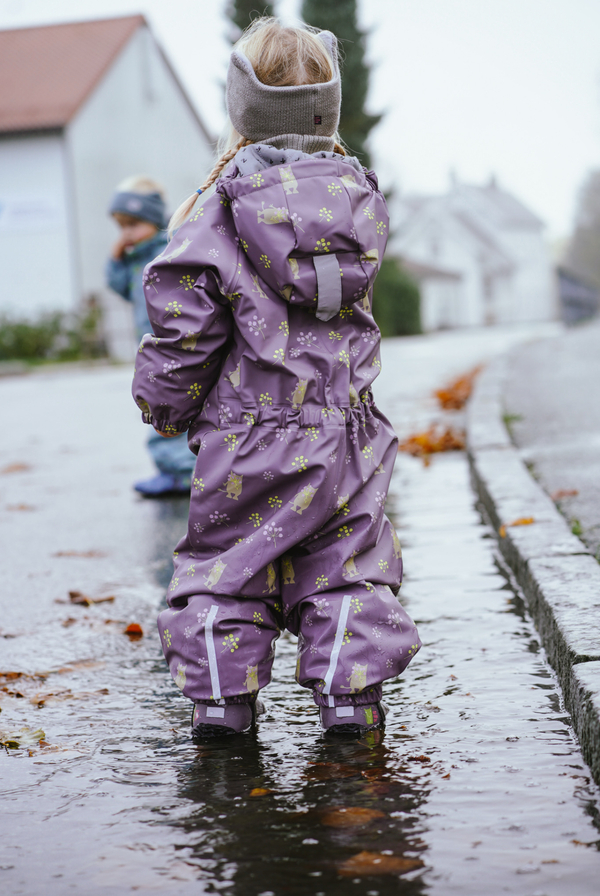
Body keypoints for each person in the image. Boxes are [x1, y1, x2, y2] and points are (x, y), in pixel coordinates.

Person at [132, 17, 421, 737]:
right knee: (347, 564)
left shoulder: (216, 217)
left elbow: (184, 330)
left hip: (246, 439)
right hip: (346, 435)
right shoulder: (358, 206)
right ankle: (350, 698)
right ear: (330, 108)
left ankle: (223, 703)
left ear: (242, 110)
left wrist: (164, 405)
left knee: (228, 566)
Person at [106, 176, 196, 496]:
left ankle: (182, 470)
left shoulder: (169, 248)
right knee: (153, 406)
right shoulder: (132, 260)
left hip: (169, 344)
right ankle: (174, 468)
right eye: (121, 227)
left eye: (133, 224)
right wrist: (116, 258)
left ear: (155, 220)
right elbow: (119, 287)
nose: (127, 234)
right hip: (148, 349)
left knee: (167, 405)